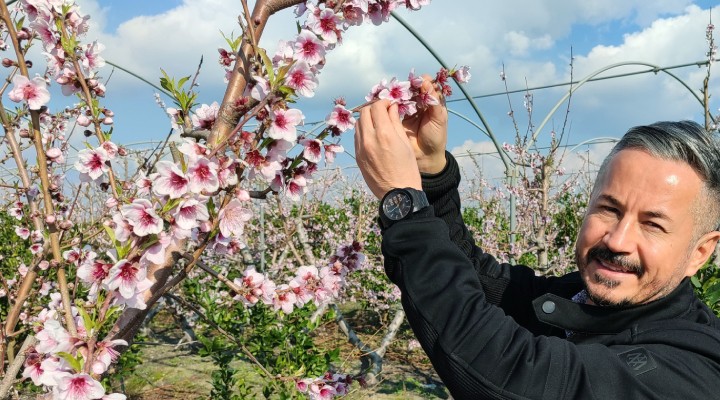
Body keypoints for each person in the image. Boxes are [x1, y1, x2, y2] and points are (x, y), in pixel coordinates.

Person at [354, 77, 720, 399]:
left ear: (700, 253)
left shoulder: (689, 372)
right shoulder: (582, 301)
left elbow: (517, 377)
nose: (618, 240)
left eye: (652, 224)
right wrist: (430, 175)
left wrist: (404, 204)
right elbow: (484, 283)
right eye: (609, 209)